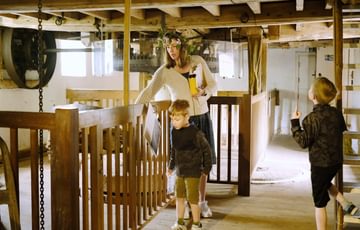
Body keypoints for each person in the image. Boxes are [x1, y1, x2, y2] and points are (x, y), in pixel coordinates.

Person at [135, 31, 217, 217]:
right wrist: (131, 109)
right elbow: (148, 91)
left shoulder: (198, 62)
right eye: (168, 47)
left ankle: (202, 202)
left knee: (204, 163)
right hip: (181, 122)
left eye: (175, 46)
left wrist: (204, 92)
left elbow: (213, 84)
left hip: (202, 117)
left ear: (182, 46)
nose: (171, 51)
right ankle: (187, 203)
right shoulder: (165, 71)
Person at [290, 77, 360, 230]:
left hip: (319, 164)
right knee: (324, 183)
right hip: (336, 162)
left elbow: (302, 142)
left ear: (313, 96)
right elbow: (340, 130)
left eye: (310, 88)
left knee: (319, 202)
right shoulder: (337, 114)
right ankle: (345, 203)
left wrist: (295, 122)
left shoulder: (310, 119)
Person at [167, 99, 212, 230]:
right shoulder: (173, 131)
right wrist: (171, 166)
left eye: (177, 119)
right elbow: (174, 150)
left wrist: (207, 167)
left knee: (193, 199)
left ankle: (197, 224)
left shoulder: (195, 133)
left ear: (187, 116)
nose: (174, 122)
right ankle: (180, 222)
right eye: (172, 119)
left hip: (193, 172)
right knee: (179, 198)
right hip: (180, 172)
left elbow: (206, 149)